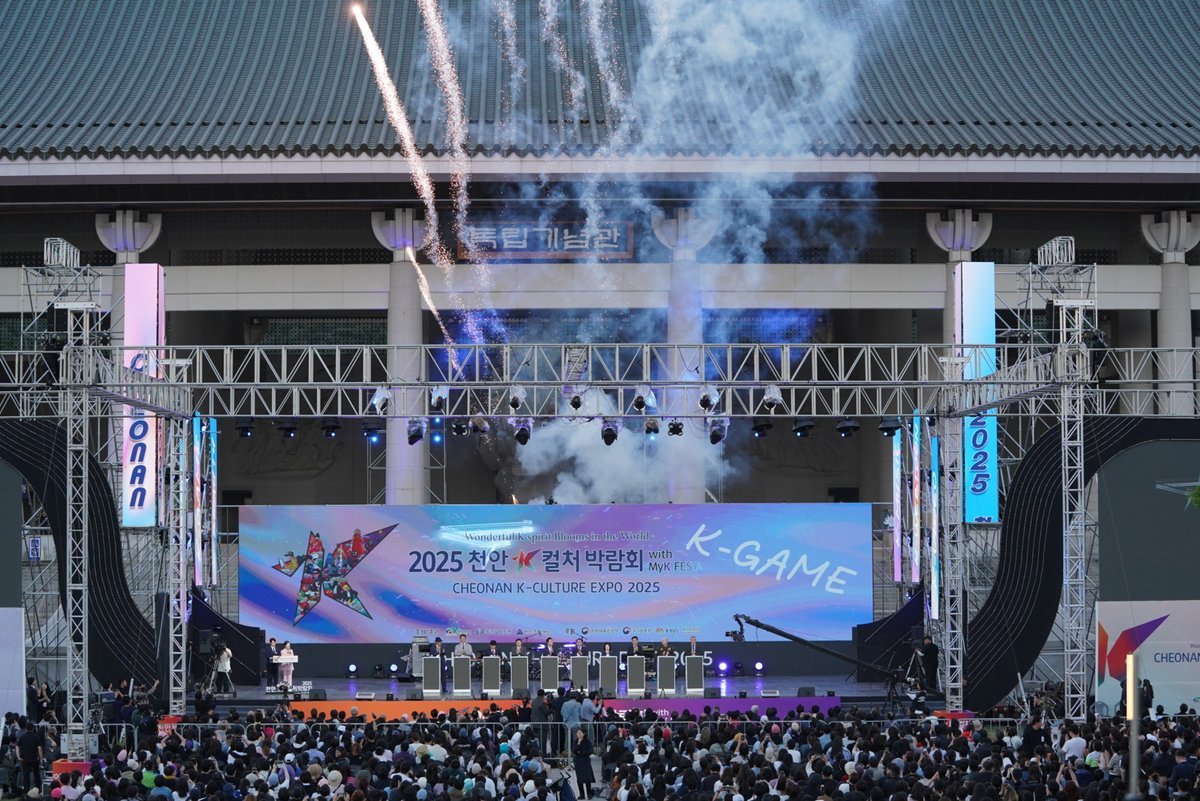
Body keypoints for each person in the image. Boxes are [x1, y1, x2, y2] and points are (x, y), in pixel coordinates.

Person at [16, 720, 44, 795]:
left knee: (26, 776)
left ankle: (26, 792)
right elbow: (39, 748)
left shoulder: (22, 737)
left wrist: (18, 756)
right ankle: (38, 790)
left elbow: (17, 746)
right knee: (36, 775)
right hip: (34, 758)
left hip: (24, 759)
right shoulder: (36, 737)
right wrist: (41, 759)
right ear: (33, 728)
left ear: (26, 728)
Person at [573, 727, 596, 800]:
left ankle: (589, 793)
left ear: (584, 733)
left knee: (587, 778)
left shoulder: (587, 741)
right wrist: (578, 744)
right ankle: (581, 794)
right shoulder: (576, 741)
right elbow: (574, 750)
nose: (578, 734)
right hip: (578, 762)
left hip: (585, 761)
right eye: (577, 733)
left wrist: (580, 752)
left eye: (580, 733)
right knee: (579, 778)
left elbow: (590, 751)